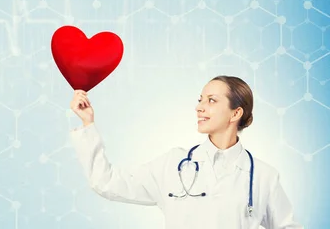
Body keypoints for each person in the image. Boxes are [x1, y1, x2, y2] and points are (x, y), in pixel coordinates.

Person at [69, 75, 303, 229]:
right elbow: (106, 182)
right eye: (200, 99)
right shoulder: (173, 164)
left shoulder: (263, 176)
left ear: (235, 113)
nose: (199, 107)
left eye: (211, 101)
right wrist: (89, 124)